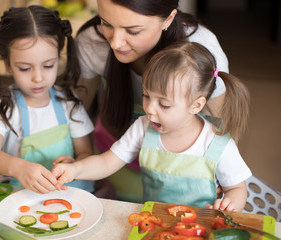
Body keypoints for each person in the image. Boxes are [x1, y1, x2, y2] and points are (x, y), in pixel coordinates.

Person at [53, 42, 252, 211]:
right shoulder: (142, 127)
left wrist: (228, 205)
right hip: (155, 225)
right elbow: (107, 163)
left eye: (164, 104)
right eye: (146, 95)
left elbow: (237, 189)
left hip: (200, 229)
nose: (149, 109)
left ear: (196, 105)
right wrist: (75, 169)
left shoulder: (217, 143)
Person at [73, 0, 230, 201]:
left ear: (168, 19)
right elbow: (77, 111)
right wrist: (79, 161)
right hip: (112, 155)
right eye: (107, 23)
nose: (115, 43)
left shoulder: (202, 54)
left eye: (134, 31)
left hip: (178, 174)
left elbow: (214, 133)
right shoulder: (93, 41)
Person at [0, 5, 95, 194]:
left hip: (72, 195)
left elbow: (85, 153)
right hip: (24, 200)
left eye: (48, 66)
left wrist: (73, 163)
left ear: (58, 58)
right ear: (8, 64)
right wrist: (17, 167)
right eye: (25, 68)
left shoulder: (68, 102)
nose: (38, 77)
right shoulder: (4, 105)